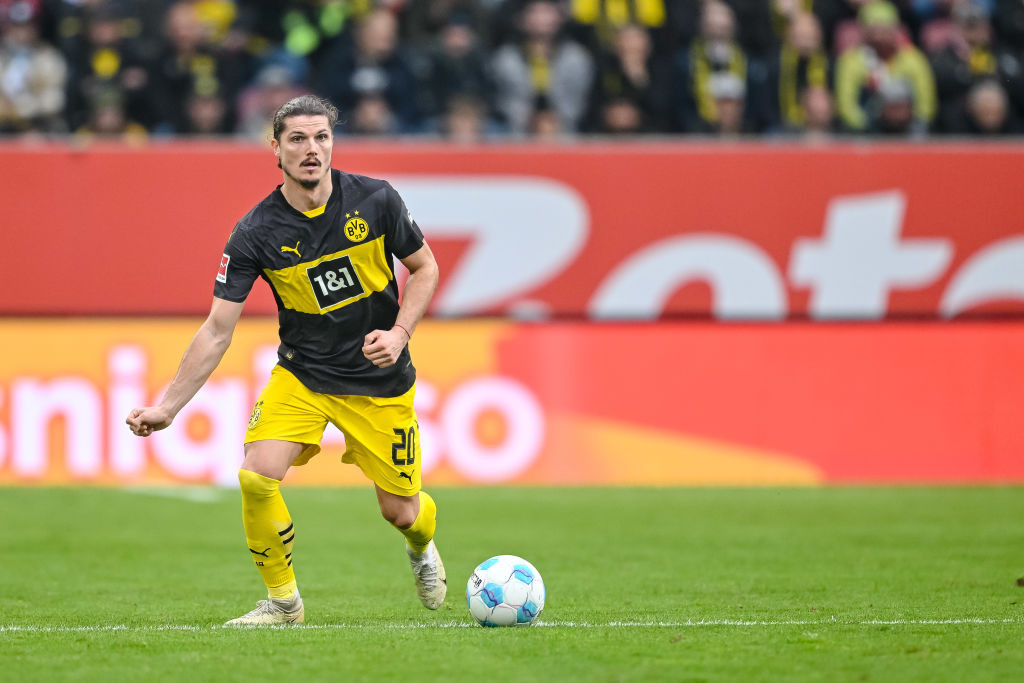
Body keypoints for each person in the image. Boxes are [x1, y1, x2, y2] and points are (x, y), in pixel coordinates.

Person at [125, 94, 444, 626]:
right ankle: (283, 603)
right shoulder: (255, 232)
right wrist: (168, 407)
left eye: (321, 137)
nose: (311, 149)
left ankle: (421, 546)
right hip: (304, 374)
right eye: (297, 139)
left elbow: (425, 267)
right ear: (275, 148)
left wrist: (400, 333)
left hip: (378, 379)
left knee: (402, 511)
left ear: (333, 143)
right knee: (256, 476)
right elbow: (217, 329)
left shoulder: (377, 199)